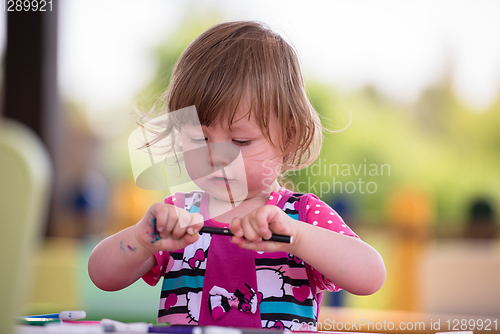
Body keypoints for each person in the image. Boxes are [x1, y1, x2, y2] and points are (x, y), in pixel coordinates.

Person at [88, 21, 385, 331]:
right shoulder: (177, 216)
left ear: (288, 136)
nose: (215, 157)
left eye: (240, 141)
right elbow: (101, 276)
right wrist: (140, 239)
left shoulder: (301, 216)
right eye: (199, 139)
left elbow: (370, 275)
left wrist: (297, 237)